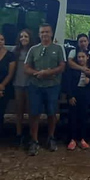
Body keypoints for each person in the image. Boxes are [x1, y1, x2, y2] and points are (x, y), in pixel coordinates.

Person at [24, 23, 66, 156]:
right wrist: (37, 73)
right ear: (39, 34)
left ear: (51, 33)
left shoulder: (58, 49)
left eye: (47, 32)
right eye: (42, 32)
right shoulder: (33, 49)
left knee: (52, 113)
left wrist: (49, 72)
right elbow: (26, 67)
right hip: (35, 85)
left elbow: (62, 66)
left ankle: (51, 137)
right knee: (34, 113)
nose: (44, 34)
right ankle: (34, 140)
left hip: (52, 86)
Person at [64, 50, 90, 150]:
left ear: (87, 57)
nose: (81, 59)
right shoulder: (72, 69)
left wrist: (89, 81)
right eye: (79, 57)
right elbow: (67, 83)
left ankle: (83, 139)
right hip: (74, 95)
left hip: (85, 95)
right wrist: (70, 96)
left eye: (83, 57)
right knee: (73, 117)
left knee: (83, 117)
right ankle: (72, 139)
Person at [12, 29, 34, 147]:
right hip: (18, 83)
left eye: (26, 36)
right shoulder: (15, 50)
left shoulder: (34, 50)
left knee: (31, 111)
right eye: (21, 36)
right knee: (19, 110)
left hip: (30, 84)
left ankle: (31, 135)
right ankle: (18, 134)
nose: (23, 38)